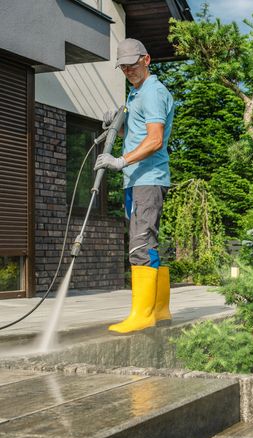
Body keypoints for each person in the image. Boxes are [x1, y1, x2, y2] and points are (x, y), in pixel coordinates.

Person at [94, 38, 174, 334]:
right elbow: (139, 130)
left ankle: (142, 315)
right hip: (137, 181)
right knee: (148, 242)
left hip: (147, 179)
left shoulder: (152, 92)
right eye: (123, 66)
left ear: (147, 59)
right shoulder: (136, 93)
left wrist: (120, 161)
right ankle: (160, 310)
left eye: (132, 63)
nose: (128, 69)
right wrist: (117, 124)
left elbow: (154, 139)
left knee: (139, 244)